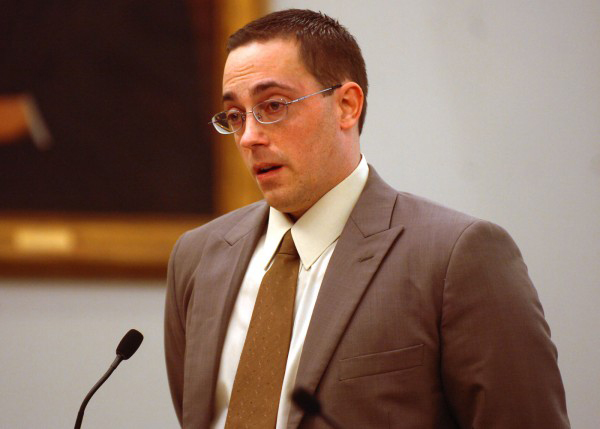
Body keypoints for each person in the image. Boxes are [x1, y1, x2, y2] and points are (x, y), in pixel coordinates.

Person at [164, 9, 569, 429]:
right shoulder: (197, 258)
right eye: (235, 115)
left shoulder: (456, 256)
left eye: (273, 106)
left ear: (347, 105)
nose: (249, 137)